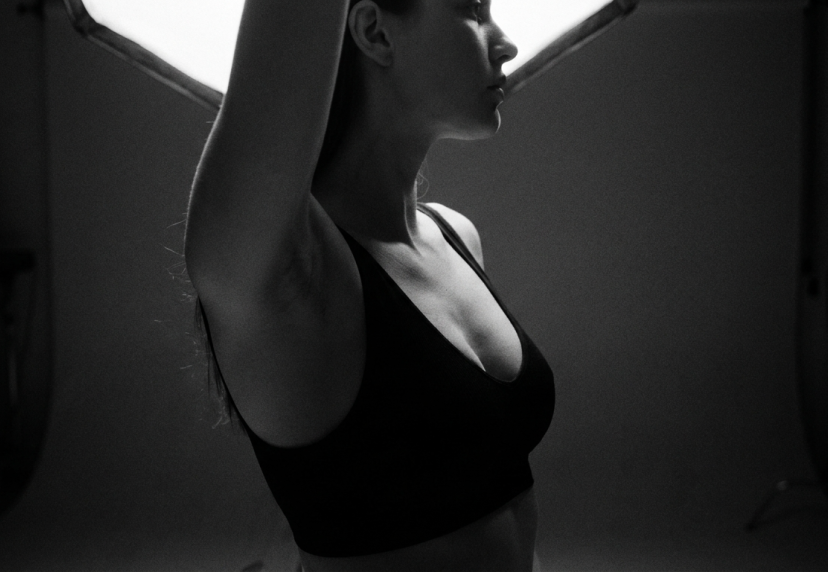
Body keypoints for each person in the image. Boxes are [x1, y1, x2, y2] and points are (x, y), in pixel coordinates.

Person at [184, 0, 555, 569]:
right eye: (472, 10)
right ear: (374, 31)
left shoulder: (456, 235)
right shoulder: (285, 272)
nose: (504, 43)